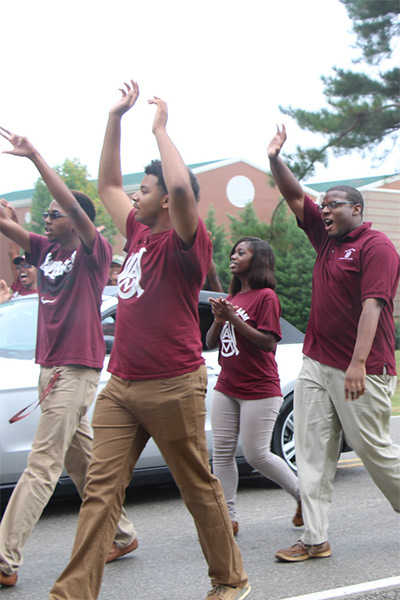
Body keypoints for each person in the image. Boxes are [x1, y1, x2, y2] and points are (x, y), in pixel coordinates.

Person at [50, 80, 251, 600]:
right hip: (122, 385)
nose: (134, 196)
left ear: (164, 200)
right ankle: (73, 592)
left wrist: (162, 129)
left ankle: (231, 580)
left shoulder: (188, 244)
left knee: (196, 488)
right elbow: (108, 182)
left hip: (173, 384)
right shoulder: (138, 233)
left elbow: (184, 190)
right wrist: (116, 118)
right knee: (99, 492)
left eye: (146, 190)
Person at [0, 129, 137, 588]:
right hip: (49, 368)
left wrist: (35, 157)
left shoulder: (94, 252)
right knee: (82, 460)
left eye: (54, 214)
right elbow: (9, 226)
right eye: (46, 214)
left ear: (77, 222)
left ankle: (4, 557)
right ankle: (120, 534)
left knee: (42, 463)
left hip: (75, 368)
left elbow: (73, 206)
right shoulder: (47, 250)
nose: (46, 217)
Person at [267, 125, 400, 562]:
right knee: (311, 451)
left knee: (374, 452)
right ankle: (314, 539)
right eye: (322, 206)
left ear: (357, 208)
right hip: (316, 363)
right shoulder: (325, 239)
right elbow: (293, 196)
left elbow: (374, 307)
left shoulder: (376, 247)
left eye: (333, 205)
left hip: (362, 367)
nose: (323, 210)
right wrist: (274, 160)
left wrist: (358, 364)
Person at [206, 237, 302, 537]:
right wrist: (220, 320)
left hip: (259, 388)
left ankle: (303, 497)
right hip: (226, 384)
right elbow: (210, 343)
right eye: (233, 251)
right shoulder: (232, 299)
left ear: (257, 260)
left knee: (257, 454)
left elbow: (268, 342)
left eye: (241, 252)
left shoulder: (266, 297)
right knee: (221, 453)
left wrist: (233, 319)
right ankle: (228, 517)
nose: (233, 256)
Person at [0, 198, 37, 303]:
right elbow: (13, 253)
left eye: (27, 265)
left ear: (38, 269)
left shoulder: (45, 291)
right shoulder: (19, 287)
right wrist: (13, 221)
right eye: (19, 267)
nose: (22, 269)